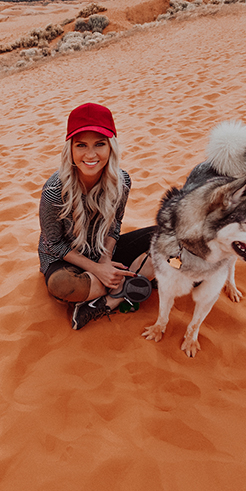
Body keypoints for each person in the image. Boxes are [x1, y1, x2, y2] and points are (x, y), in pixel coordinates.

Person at [38, 103, 155, 330]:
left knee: (168, 238)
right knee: (62, 286)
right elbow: (52, 244)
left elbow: (115, 225)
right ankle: (132, 283)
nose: (90, 155)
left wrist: (104, 260)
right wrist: (97, 269)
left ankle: (110, 301)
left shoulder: (122, 181)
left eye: (99, 144)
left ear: (111, 147)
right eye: (81, 145)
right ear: (70, 149)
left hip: (102, 251)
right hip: (66, 259)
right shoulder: (54, 190)